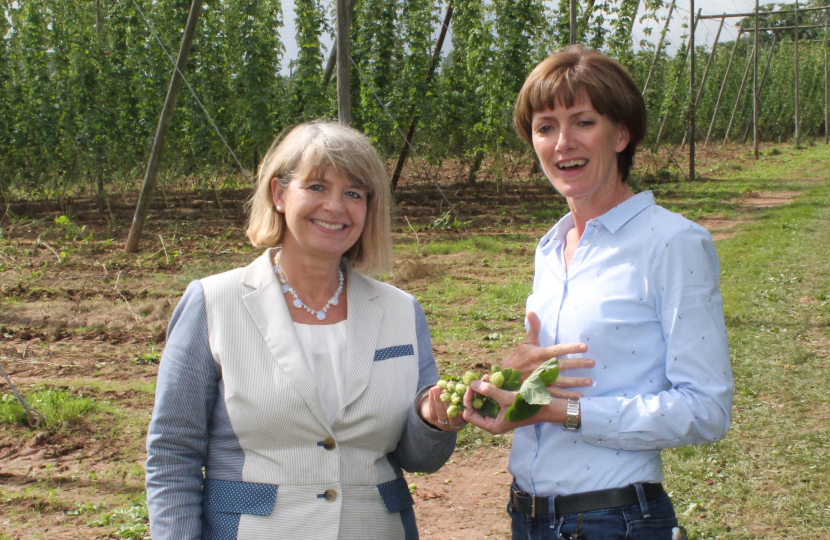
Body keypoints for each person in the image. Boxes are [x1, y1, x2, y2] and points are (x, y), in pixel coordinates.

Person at [463, 45, 733, 539]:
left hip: (613, 521)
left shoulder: (671, 242)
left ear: (622, 134)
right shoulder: (551, 247)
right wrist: (515, 385)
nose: (562, 142)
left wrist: (563, 413)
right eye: (545, 127)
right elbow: (561, 376)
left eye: (583, 121)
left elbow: (705, 410)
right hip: (528, 518)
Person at [145, 121, 461, 540]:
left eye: (353, 193)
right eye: (316, 187)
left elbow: (418, 458)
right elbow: (172, 451)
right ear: (278, 194)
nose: (335, 206)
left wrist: (433, 422)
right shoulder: (214, 302)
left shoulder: (400, 310)